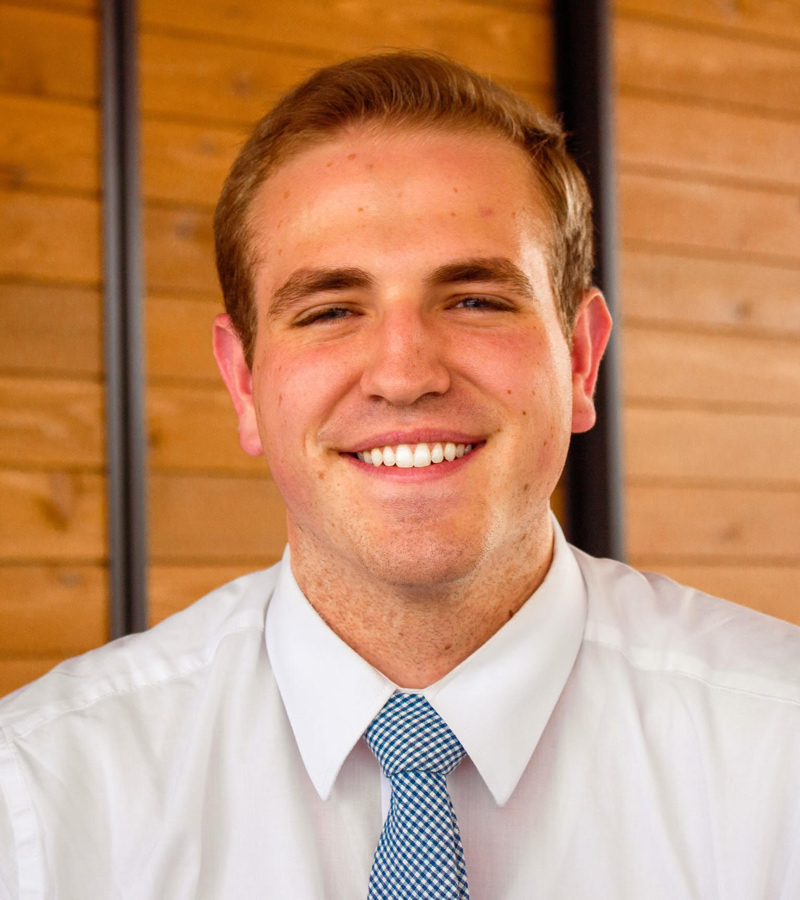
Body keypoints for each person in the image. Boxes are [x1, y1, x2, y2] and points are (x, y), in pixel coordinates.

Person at [1, 52, 799, 900]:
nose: (404, 371)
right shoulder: (41, 798)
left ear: (578, 359)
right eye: (332, 311)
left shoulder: (779, 755)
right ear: (243, 384)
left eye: (476, 299)